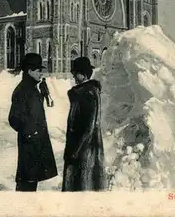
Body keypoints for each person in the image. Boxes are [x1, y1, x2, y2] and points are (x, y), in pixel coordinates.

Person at [8, 53, 58, 192]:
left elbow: (33, 111)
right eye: (38, 70)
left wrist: (42, 95)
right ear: (30, 71)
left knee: (32, 179)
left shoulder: (32, 88)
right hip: (30, 143)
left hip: (36, 141)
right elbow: (14, 118)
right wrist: (29, 133)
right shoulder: (22, 90)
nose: (40, 73)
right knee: (27, 181)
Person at [62, 57, 106, 192]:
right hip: (87, 147)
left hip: (82, 149)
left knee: (80, 187)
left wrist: (76, 149)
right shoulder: (88, 91)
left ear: (84, 74)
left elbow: (89, 125)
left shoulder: (86, 93)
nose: (73, 75)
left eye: (76, 73)